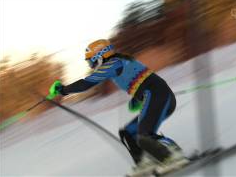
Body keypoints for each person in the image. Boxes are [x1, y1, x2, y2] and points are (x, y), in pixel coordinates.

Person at [47, 39, 188, 175]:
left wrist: (62, 90)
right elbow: (140, 79)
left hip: (160, 97)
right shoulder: (119, 63)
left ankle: (172, 155)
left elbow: (86, 83)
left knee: (144, 136)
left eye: (91, 61)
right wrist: (137, 98)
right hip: (155, 97)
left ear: (100, 56)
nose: (91, 65)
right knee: (128, 132)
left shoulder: (113, 64)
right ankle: (144, 163)